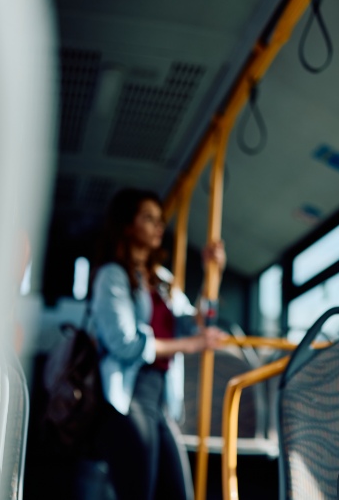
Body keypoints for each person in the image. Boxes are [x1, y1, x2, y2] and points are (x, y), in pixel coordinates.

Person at [90, 188, 227, 500]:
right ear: (127, 226)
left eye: (159, 220)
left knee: (178, 492)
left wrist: (211, 273)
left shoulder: (161, 280)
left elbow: (195, 322)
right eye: (148, 218)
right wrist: (191, 345)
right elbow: (125, 344)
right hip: (128, 397)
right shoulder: (112, 277)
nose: (158, 226)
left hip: (160, 398)